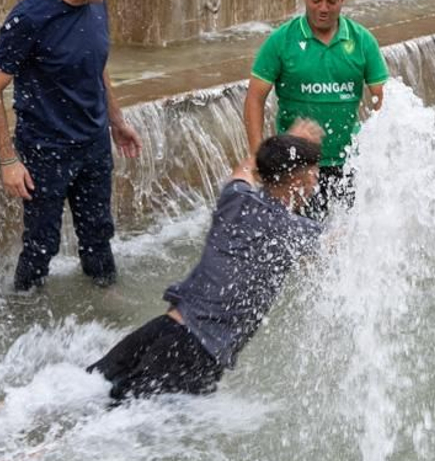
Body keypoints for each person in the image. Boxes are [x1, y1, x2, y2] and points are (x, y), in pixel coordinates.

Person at [89, 129, 324, 402]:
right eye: (312, 173)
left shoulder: (235, 198)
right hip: (195, 353)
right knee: (111, 429)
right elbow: (338, 243)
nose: (316, 179)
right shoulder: (292, 230)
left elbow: (244, 168)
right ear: (296, 181)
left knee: (85, 392)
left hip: (164, 328)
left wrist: (285, 141)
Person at [0, 0, 143, 292]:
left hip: (94, 145)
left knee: (99, 236)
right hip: (45, 152)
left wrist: (117, 122)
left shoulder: (96, 3)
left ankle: (104, 309)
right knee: (41, 247)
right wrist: (8, 160)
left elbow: (96, 63)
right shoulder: (31, 17)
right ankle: (25, 316)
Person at [243, 0, 388, 212]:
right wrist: (259, 156)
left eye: (331, 2)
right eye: (316, 0)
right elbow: (254, 98)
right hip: (295, 168)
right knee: (297, 241)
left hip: (349, 163)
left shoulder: (362, 41)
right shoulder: (281, 41)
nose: (323, 9)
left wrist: (383, 154)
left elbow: (383, 100)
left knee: (346, 240)